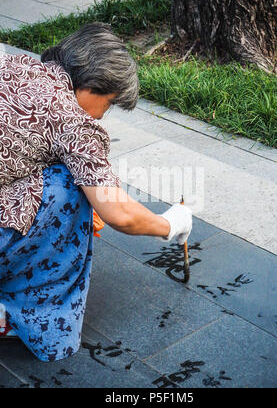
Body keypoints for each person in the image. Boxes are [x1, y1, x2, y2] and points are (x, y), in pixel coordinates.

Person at [0, 23, 192, 362]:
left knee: (65, 182)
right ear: (93, 86)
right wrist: (172, 224)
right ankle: (32, 322)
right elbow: (120, 214)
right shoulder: (72, 121)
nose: (105, 114)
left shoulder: (14, 65)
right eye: (111, 103)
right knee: (70, 188)